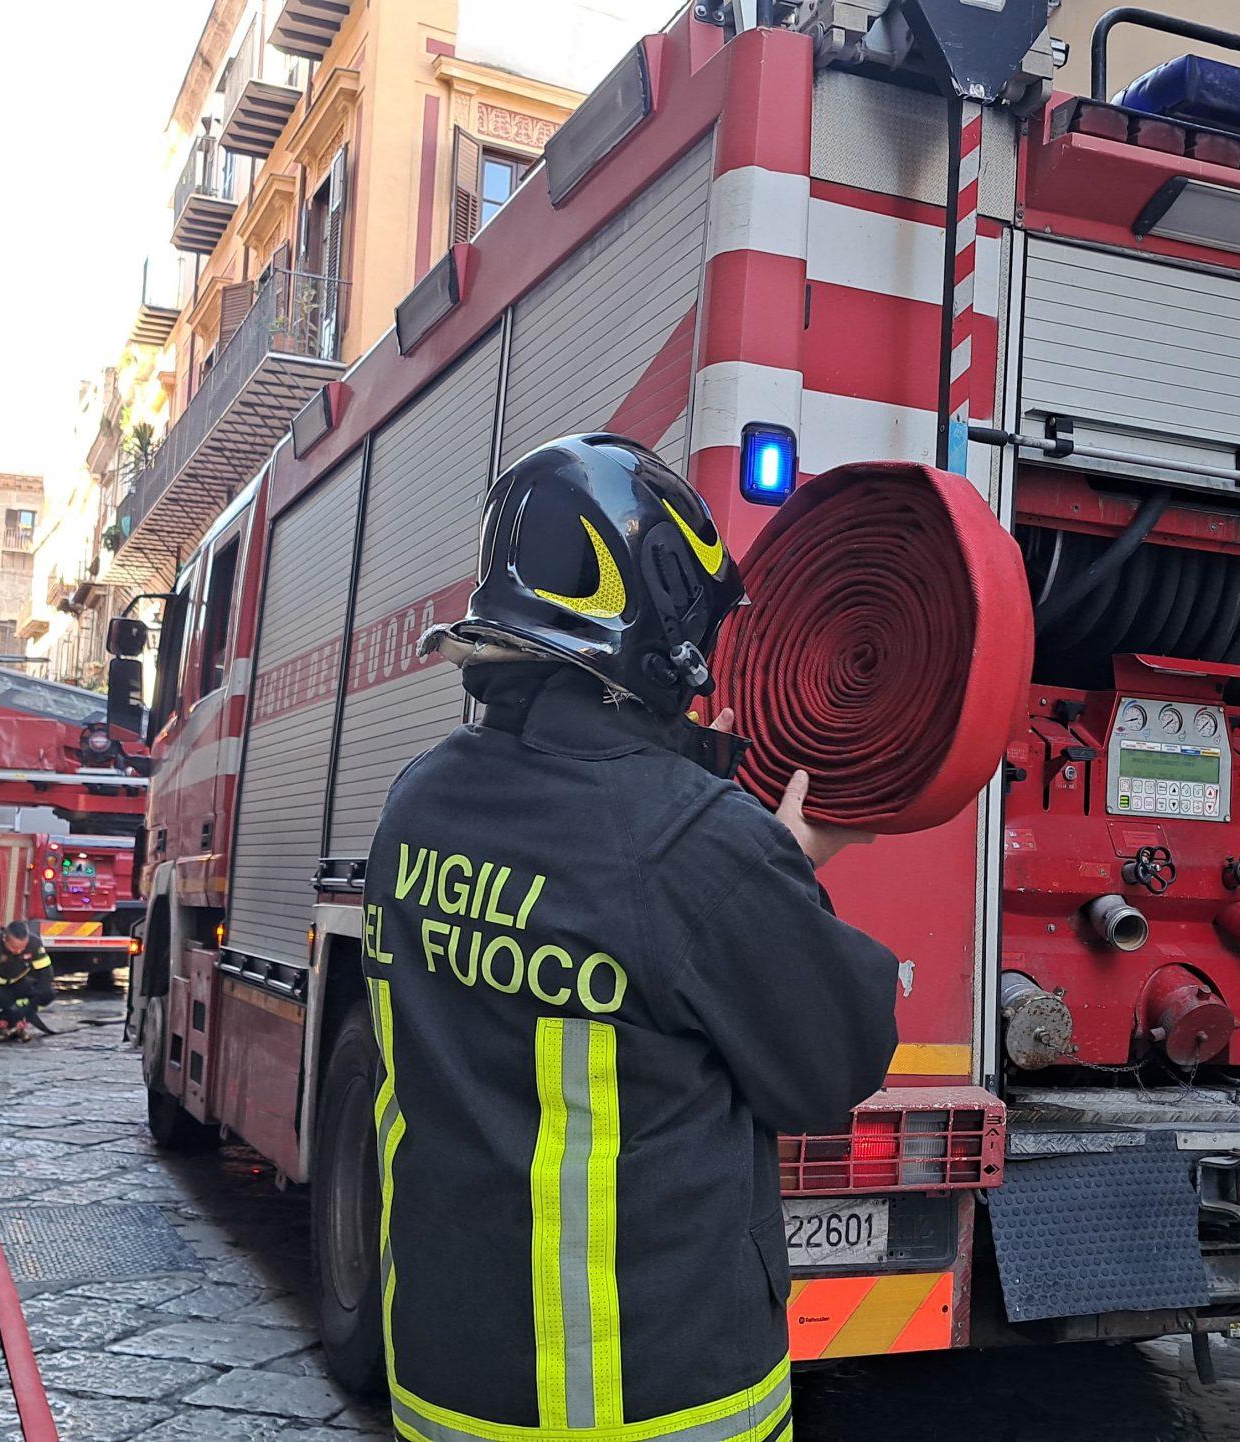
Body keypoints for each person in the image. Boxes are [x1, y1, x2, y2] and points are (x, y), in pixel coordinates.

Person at [357, 434, 899, 1439]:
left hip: (443, 1384)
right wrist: (782, 863)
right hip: (652, 1400)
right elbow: (831, 1065)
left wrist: (744, 857)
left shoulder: (415, 801)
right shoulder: (695, 844)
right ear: (666, 629)